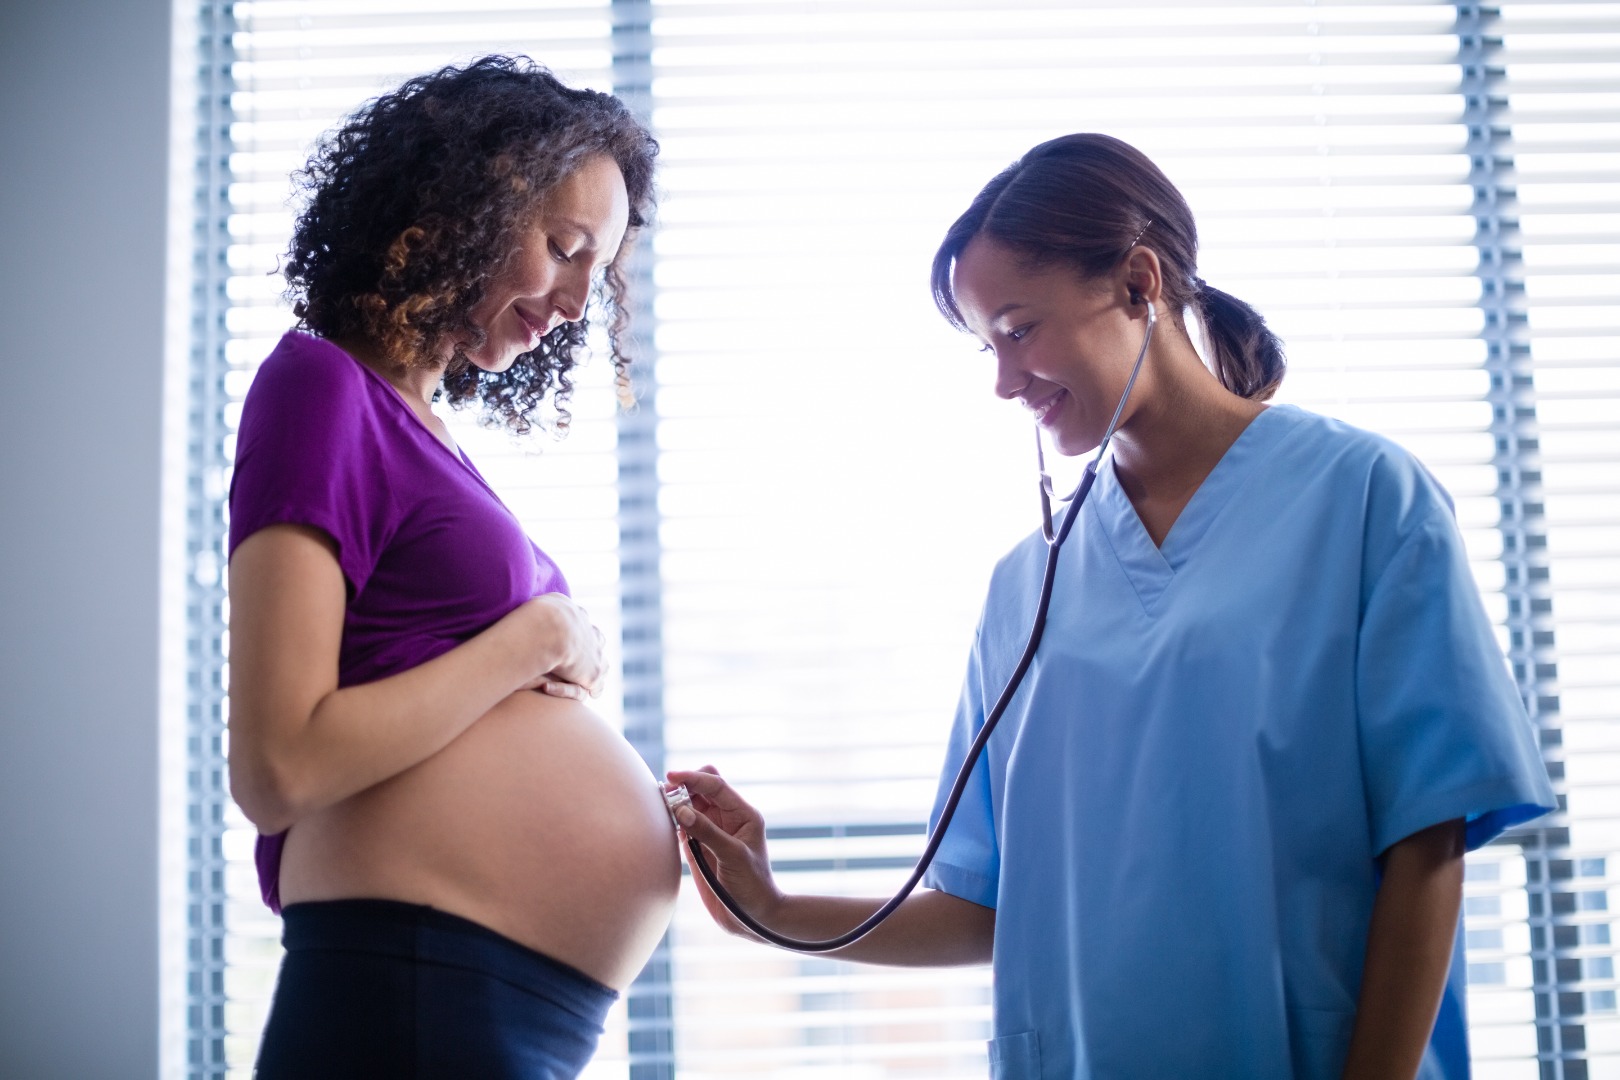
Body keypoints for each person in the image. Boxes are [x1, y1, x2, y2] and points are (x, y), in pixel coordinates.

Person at [667, 133, 1558, 1080]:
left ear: (1139, 282)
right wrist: (775, 910)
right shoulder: (1025, 586)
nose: (1004, 381)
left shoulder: (1365, 498)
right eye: (986, 346)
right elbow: (990, 909)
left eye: (1018, 329)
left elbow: (1428, 844)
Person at [227, 56, 678, 1079]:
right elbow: (278, 766)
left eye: (594, 274)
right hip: (408, 991)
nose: (573, 304)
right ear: (468, 204)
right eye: (564, 248)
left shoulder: (425, 434)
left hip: (499, 1005)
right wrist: (536, 639)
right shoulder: (321, 386)